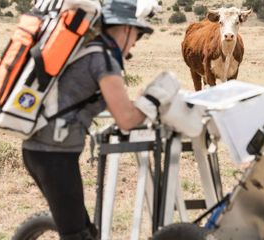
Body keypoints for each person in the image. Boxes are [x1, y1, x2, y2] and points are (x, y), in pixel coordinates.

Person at [20, 0, 175, 239]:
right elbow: (126, 119)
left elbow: (114, 108)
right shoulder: (103, 59)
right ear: (126, 29)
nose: (135, 43)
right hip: (54, 155)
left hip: (43, 149)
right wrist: (155, 98)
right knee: (77, 235)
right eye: (137, 35)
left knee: (85, 231)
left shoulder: (89, 49)